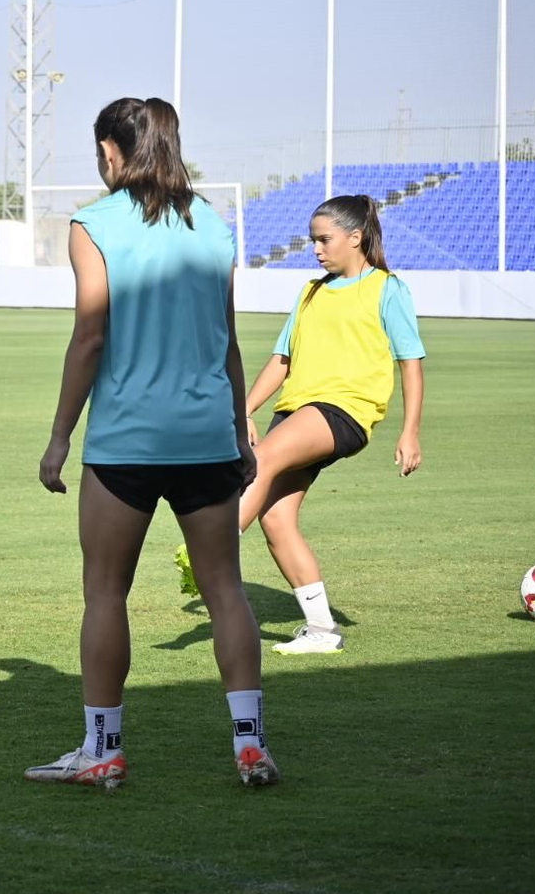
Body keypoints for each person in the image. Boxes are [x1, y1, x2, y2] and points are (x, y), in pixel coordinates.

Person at [29, 98, 276, 787]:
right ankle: (250, 744)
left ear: (114, 149)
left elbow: (91, 334)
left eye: (99, 149)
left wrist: (58, 437)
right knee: (226, 588)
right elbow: (227, 337)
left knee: (106, 592)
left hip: (126, 442)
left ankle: (102, 748)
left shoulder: (93, 223)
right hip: (207, 437)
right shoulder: (213, 222)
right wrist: (237, 426)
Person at [178, 195, 425, 655]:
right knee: (276, 518)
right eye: (313, 240)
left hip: (344, 411)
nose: (315, 248)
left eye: (324, 239)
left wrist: (410, 431)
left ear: (356, 238)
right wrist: (244, 410)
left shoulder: (387, 289)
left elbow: (410, 363)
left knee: (262, 458)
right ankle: (322, 631)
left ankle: (212, 548)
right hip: (296, 410)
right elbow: (281, 360)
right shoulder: (311, 292)